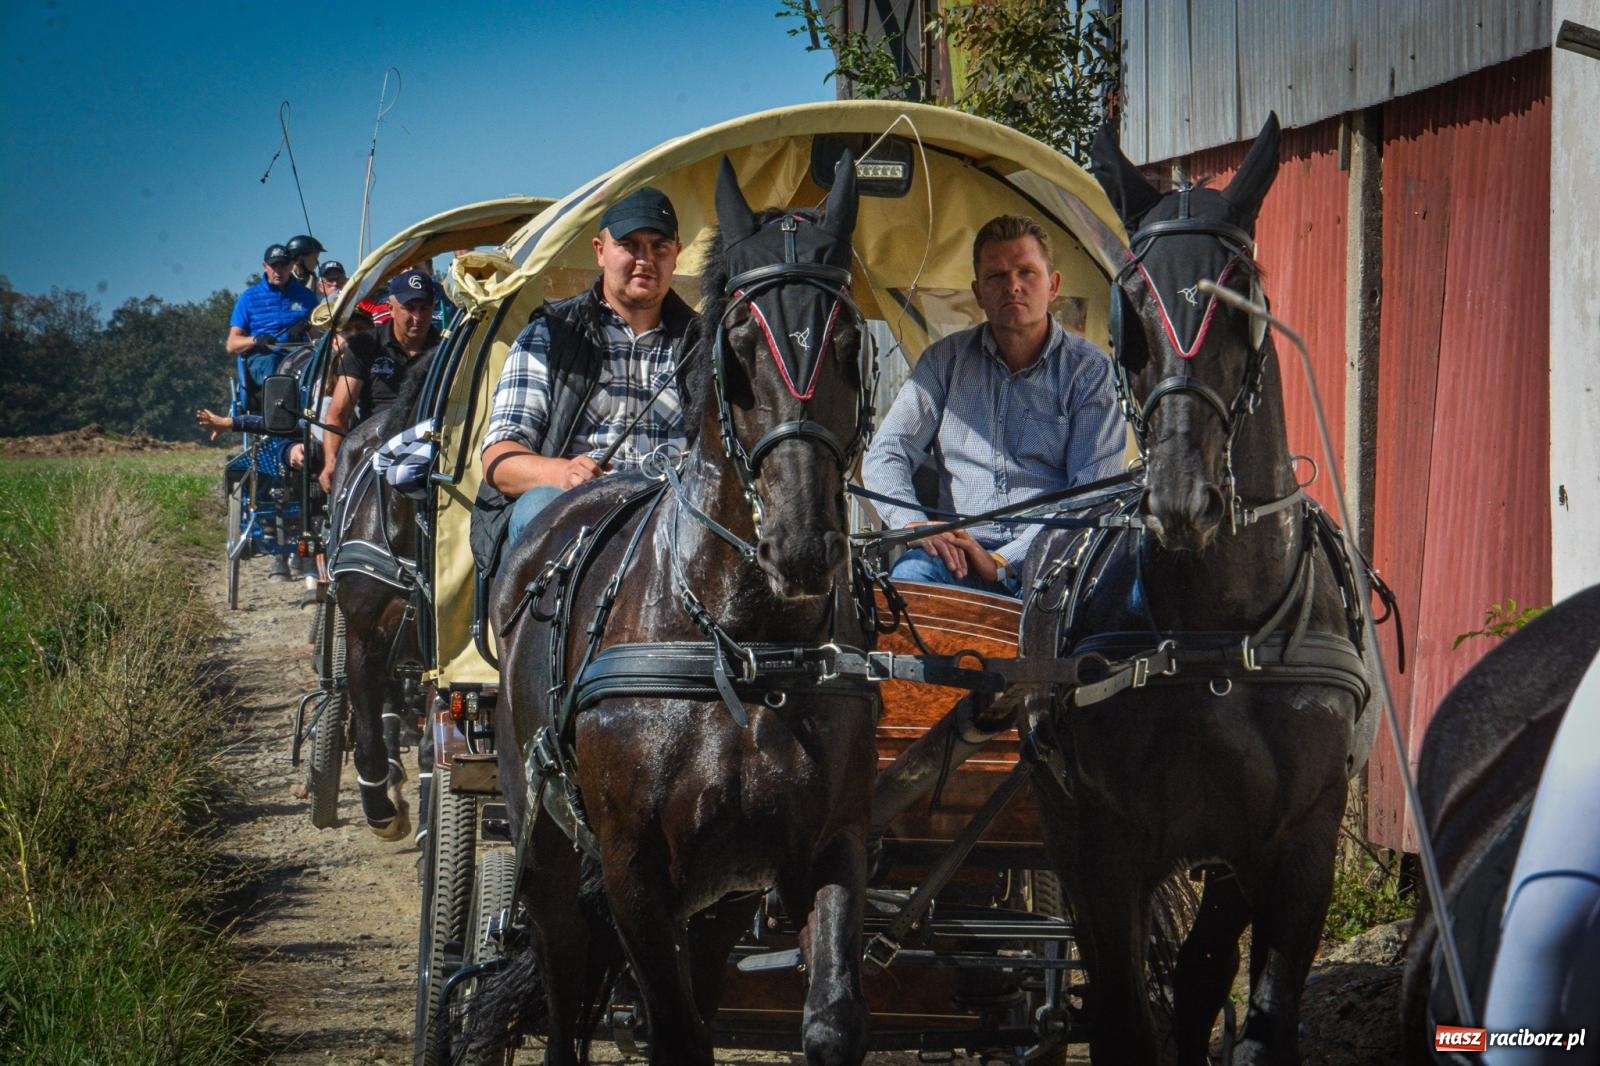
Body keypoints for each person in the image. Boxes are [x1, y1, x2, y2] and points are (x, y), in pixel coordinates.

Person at [861, 214, 1126, 595]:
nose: (1012, 286)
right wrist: (915, 526)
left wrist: (1003, 563)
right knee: (909, 582)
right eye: (996, 277)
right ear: (978, 292)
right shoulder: (944, 362)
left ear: (1053, 286)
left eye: (1026, 272)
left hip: (1056, 555)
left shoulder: (1089, 371)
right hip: (957, 555)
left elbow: (1089, 494)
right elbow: (886, 452)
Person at [480, 186, 700, 547]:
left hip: (676, 520)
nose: (645, 259)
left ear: (676, 254)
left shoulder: (705, 343)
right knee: (539, 504)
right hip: (578, 516)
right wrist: (561, 472)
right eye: (629, 245)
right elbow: (499, 459)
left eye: (659, 246)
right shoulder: (550, 336)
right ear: (600, 251)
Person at [319, 267, 443, 492]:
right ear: (391, 308)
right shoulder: (364, 346)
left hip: (430, 444)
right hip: (374, 446)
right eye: (409, 308)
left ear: (434, 308)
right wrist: (331, 462)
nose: (417, 317)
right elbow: (339, 413)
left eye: (424, 308)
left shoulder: (446, 351)